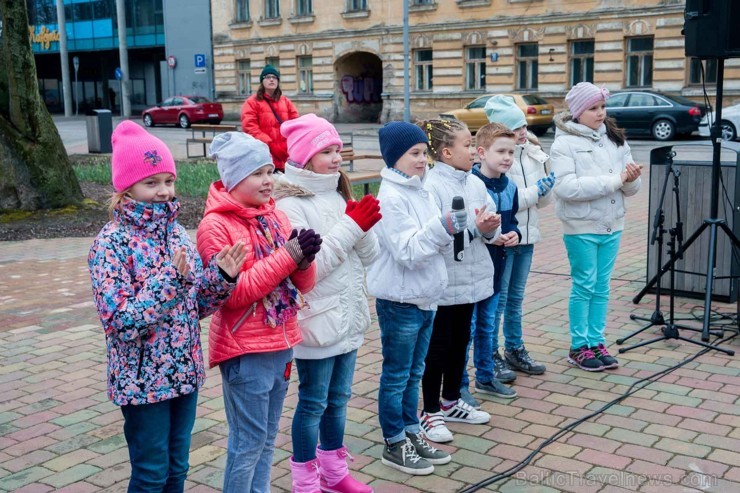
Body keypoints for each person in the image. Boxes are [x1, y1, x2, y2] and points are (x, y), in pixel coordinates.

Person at [88, 121, 246, 492]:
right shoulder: (110, 244)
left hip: (183, 374)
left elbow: (192, 306)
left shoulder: (176, 232)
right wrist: (170, 284)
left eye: (168, 181)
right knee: (151, 474)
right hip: (143, 384)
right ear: (126, 188)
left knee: (178, 469)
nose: (164, 192)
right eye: (151, 183)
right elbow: (120, 322)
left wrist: (220, 278)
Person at [196, 132, 321, 492]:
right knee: (247, 443)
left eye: (271, 171)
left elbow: (303, 284)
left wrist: (304, 259)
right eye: (258, 173)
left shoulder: (276, 217)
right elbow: (236, 294)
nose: (269, 181)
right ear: (234, 179)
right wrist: (290, 256)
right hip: (245, 350)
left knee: (267, 439)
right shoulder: (215, 226)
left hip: (280, 341)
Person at [273, 114, 381, 493]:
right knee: (313, 403)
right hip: (318, 321)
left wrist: (363, 226)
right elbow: (310, 270)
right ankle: (305, 480)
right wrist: (352, 226)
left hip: (348, 317)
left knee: (339, 399)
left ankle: (334, 474)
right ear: (304, 158)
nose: (337, 158)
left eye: (338, 150)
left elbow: (368, 257)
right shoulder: (289, 204)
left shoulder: (338, 193)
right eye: (326, 151)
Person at [367, 121, 455, 475]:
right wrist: (443, 227)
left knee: (414, 371)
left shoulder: (422, 190)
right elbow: (409, 251)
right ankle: (393, 440)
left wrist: (452, 228)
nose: (423, 160)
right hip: (400, 301)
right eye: (414, 154)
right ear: (394, 159)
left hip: (425, 296)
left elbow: (436, 242)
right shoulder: (390, 198)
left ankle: (411, 430)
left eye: (424, 153)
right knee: (397, 374)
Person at [418, 118, 501, 444]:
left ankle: (452, 400)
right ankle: (430, 411)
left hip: (470, 279)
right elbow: (439, 240)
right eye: (468, 145)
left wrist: (492, 227)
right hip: (443, 283)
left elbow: (488, 226)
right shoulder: (432, 187)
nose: (473, 151)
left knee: (459, 343)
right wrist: (477, 231)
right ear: (446, 152)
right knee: (437, 349)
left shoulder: (475, 183)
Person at [550, 82, 642, 371]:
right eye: (593, 108)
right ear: (578, 112)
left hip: (613, 224)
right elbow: (565, 187)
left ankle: (596, 342)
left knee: (602, 287)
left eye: (602, 107)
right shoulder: (564, 144)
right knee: (584, 284)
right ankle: (579, 347)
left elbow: (630, 187)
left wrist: (632, 178)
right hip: (581, 226)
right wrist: (616, 180)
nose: (600, 113)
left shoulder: (615, 138)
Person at [480, 95, 553, 387]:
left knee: (517, 298)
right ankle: (492, 354)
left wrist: (546, 187)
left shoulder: (532, 152)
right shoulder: (501, 157)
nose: (522, 132)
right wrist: (536, 192)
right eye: (514, 128)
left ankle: (515, 348)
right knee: (499, 300)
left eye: (523, 126)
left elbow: (542, 202)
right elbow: (508, 199)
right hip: (504, 238)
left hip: (528, 234)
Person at [460, 122, 521, 405]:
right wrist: (490, 236)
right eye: (501, 151)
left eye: (511, 151)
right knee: (466, 330)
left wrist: (514, 234)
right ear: (482, 153)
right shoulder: (471, 185)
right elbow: (467, 230)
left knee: (487, 326)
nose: (507, 157)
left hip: (496, 270)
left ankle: (485, 377)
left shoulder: (510, 187)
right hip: (471, 270)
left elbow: (514, 222)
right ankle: (459, 384)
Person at [241, 65, 299, 172]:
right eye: (267, 77)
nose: (271, 79)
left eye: (274, 77)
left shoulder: (286, 102)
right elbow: (250, 127)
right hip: (264, 155)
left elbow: (296, 124)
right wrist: (270, 144)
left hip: (285, 156)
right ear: (262, 81)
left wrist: (287, 145)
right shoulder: (251, 102)